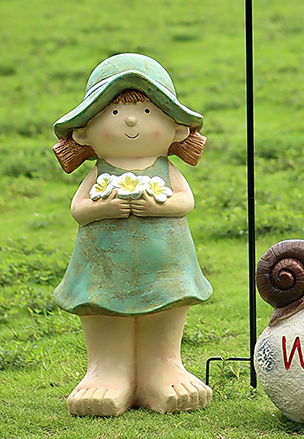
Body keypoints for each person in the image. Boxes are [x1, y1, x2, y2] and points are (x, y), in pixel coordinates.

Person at [52, 53, 212, 416]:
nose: (128, 120)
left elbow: (185, 201)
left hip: (165, 263)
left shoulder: (164, 167)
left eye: (145, 111)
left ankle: (163, 366)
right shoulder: (99, 171)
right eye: (112, 113)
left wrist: (160, 207)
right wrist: (102, 209)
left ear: (176, 128)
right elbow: (79, 209)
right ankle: (107, 370)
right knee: (103, 308)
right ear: (83, 131)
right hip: (104, 265)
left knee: (167, 305)